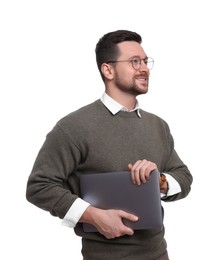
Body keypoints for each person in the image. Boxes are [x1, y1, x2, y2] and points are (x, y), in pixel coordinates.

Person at [26, 29, 193, 260]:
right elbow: (39, 186)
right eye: (134, 61)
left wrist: (160, 180)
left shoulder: (158, 126)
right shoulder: (74, 126)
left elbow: (184, 176)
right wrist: (93, 216)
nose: (144, 68)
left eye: (145, 61)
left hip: (159, 254)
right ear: (108, 69)